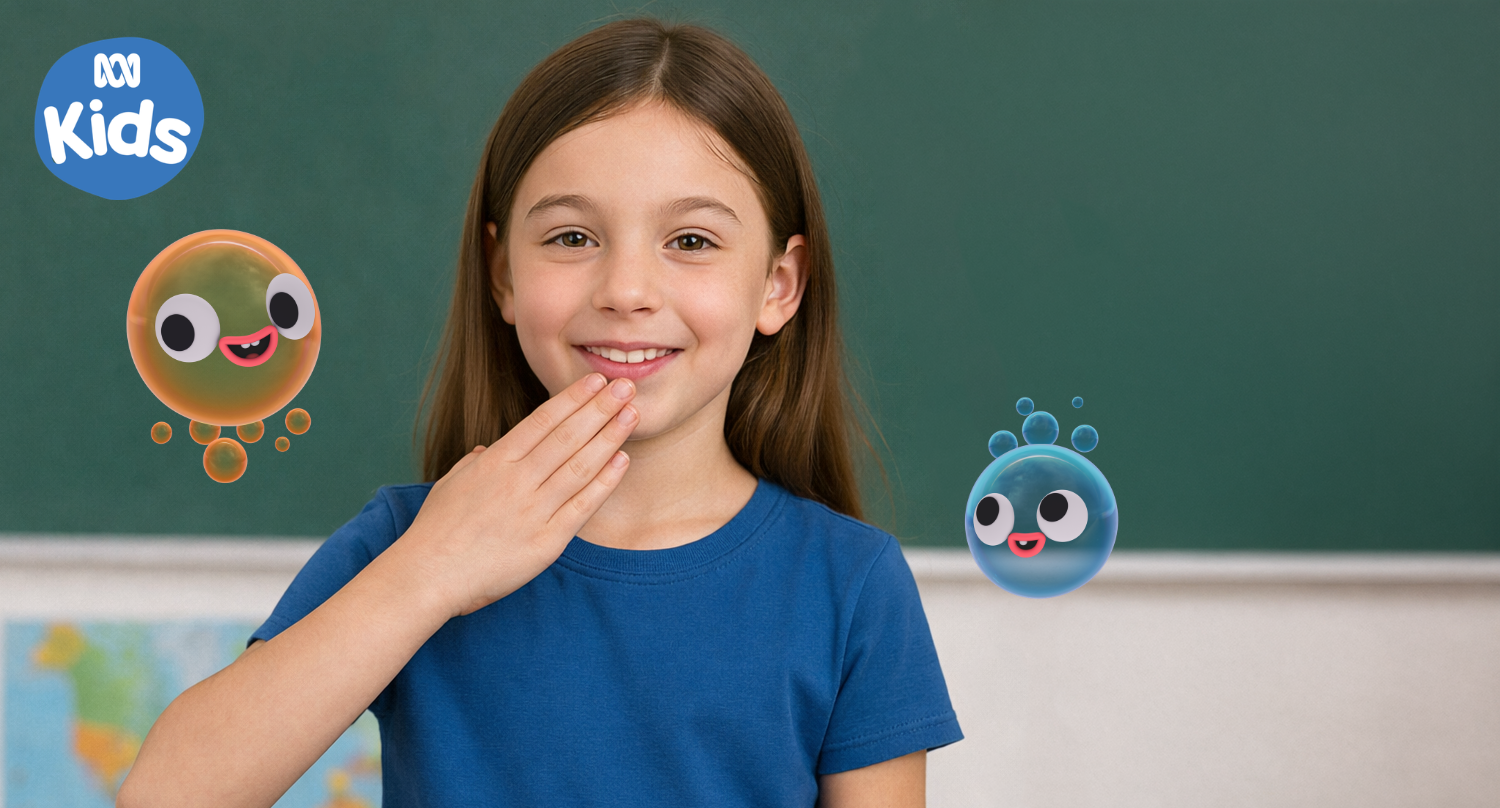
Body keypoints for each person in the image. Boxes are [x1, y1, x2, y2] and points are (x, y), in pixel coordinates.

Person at [120, 16, 962, 808]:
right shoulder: (410, 543)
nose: (626, 291)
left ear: (779, 284)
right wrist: (431, 573)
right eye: (570, 238)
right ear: (503, 276)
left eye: (692, 241)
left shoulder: (848, 585)